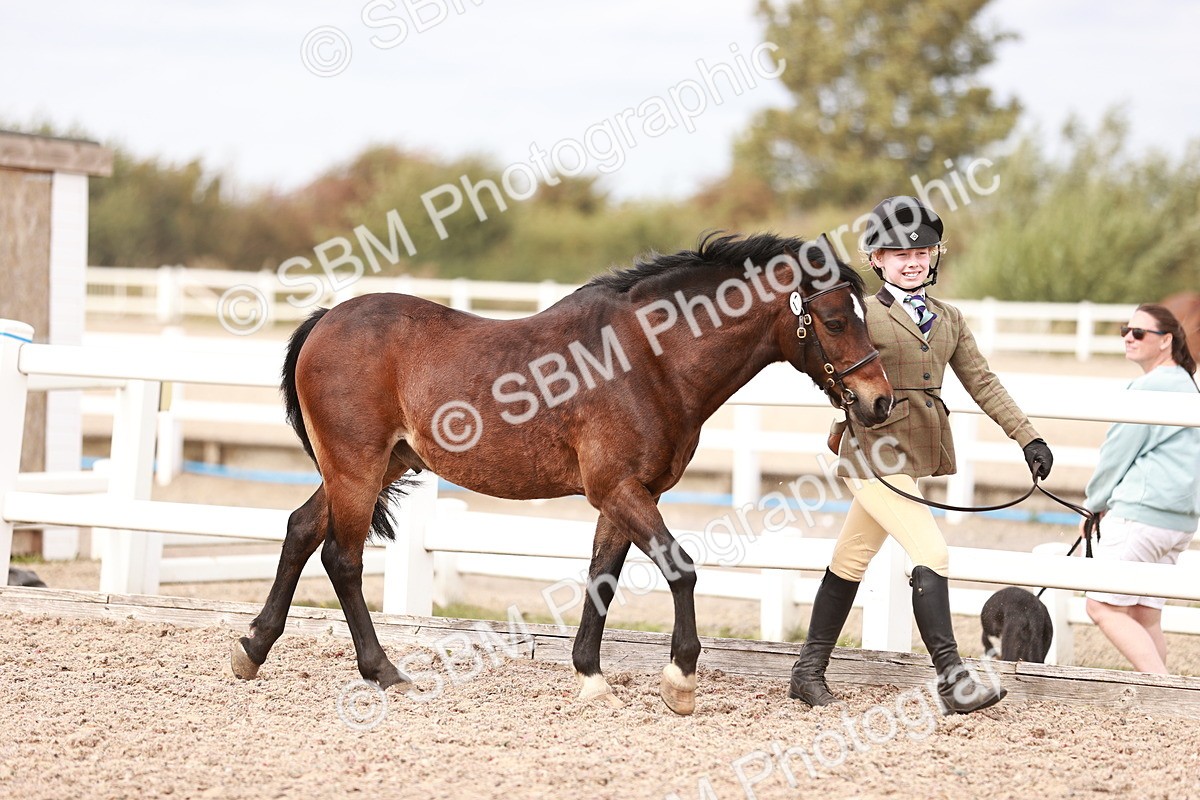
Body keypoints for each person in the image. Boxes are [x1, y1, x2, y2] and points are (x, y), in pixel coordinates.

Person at [788, 196, 1054, 715]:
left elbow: (983, 383)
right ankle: (953, 680)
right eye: (897, 253)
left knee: (850, 559)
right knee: (931, 553)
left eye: (922, 252)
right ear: (877, 260)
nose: (912, 261)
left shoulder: (948, 318)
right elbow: (834, 367)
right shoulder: (862, 313)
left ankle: (806, 672)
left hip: (916, 454)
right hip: (871, 453)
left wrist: (1027, 437)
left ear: (934, 256)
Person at [1082, 304, 1200, 674]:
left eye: (1139, 333)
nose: (1128, 338)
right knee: (1144, 614)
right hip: (1179, 522)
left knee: (1100, 605)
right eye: (1125, 330)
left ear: (1166, 341)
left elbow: (1115, 456)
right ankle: (1165, 699)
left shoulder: (1146, 389)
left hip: (1141, 516)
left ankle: (1163, 687)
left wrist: (1093, 506)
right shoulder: (1188, 383)